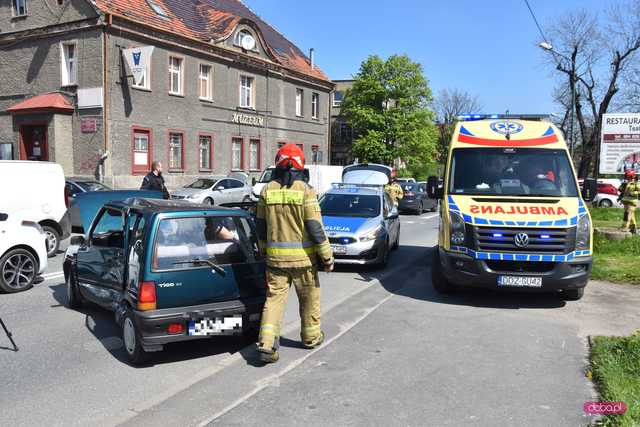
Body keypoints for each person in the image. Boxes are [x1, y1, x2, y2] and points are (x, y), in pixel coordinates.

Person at [255, 144, 334, 364]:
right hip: (304, 261)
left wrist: (264, 251)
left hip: (275, 262)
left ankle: (267, 345)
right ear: (300, 165)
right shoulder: (306, 191)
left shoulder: (267, 191)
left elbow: (260, 227)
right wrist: (327, 258)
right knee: (309, 299)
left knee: (274, 301)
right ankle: (310, 337)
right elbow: (315, 228)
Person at [620, 169, 639, 234]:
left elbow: (638, 192)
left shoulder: (636, 183)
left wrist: (632, 193)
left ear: (632, 176)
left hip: (632, 202)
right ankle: (633, 229)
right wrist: (621, 188)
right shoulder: (626, 183)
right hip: (625, 201)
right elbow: (622, 191)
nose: (627, 178)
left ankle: (625, 227)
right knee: (631, 216)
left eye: (628, 176)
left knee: (627, 214)